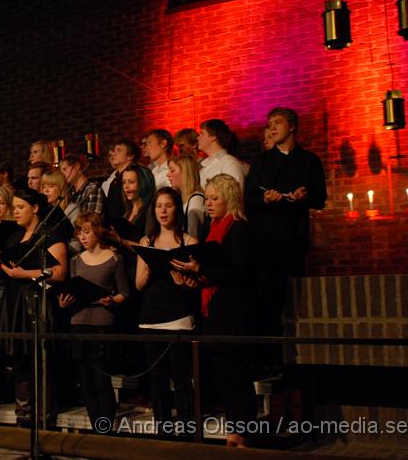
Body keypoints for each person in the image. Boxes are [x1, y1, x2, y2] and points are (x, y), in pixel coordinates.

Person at [170, 174, 257, 447]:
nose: (208, 203)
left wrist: (201, 270)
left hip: (233, 312)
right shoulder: (213, 228)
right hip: (215, 311)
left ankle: (243, 431)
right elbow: (214, 274)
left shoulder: (238, 228)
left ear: (228, 198)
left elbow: (240, 273)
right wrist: (191, 280)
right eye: (206, 198)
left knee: (237, 374)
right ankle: (234, 429)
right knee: (224, 375)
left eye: (214, 198)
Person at [245, 107, 327, 339]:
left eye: (277, 122)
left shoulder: (310, 161)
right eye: (269, 123)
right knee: (265, 297)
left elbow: (320, 199)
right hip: (264, 239)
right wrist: (265, 198)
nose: (271, 127)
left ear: (292, 126)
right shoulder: (261, 161)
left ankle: (293, 351)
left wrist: (304, 196)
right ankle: (268, 357)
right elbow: (249, 198)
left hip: (293, 238)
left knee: (292, 298)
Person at [0, 189, 68, 425]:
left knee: (41, 360)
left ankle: (45, 420)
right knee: (20, 361)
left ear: (35, 208)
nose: (14, 212)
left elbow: (59, 273)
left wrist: (23, 273)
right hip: (16, 302)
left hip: (38, 302)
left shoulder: (50, 234)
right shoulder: (14, 237)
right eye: (14, 207)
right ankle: (24, 418)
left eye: (20, 207)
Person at [57, 213, 129, 432]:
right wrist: (64, 302)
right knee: (85, 381)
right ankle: (96, 428)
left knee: (100, 380)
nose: (82, 236)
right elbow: (73, 290)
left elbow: (124, 293)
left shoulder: (114, 258)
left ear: (98, 231)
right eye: (79, 232)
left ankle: (104, 430)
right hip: (78, 321)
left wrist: (112, 300)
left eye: (86, 231)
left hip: (101, 323)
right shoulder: (76, 260)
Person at [135, 188, 199, 435]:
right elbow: (139, 285)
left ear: (176, 208)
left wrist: (184, 283)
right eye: (158, 205)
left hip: (179, 316)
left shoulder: (189, 241)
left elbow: (198, 284)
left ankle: (187, 428)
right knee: (157, 379)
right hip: (151, 316)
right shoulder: (147, 241)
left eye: (168, 205)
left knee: (182, 377)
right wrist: (151, 265)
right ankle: (163, 429)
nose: (162, 210)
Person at [197, 119, 246, 190]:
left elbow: (233, 197)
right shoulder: (204, 164)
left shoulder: (229, 163)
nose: (198, 138)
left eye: (202, 133)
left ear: (213, 137)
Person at [167, 154, 206, 240]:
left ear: (185, 172)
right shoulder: (179, 199)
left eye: (172, 171)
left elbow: (193, 238)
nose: (167, 174)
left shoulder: (196, 199)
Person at [115, 163, 155, 247]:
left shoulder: (150, 209)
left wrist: (120, 241)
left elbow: (148, 247)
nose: (126, 187)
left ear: (143, 183)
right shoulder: (128, 211)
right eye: (124, 182)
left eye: (131, 182)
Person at [102, 139, 141, 222]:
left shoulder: (137, 174)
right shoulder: (115, 180)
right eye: (114, 150)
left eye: (119, 150)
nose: (114, 154)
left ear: (130, 155)